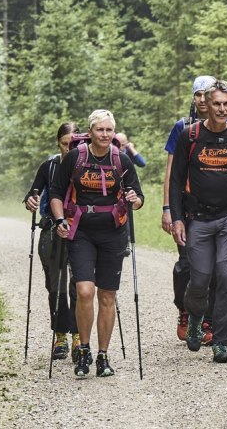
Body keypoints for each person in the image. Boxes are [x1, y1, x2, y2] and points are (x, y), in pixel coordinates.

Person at [169, 79, 227, 364]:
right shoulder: (190, 136)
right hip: (197, 218)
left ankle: (222, 341)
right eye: (217, 104)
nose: (222, 109)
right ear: (205, 105)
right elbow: (175, 180)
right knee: (199, 280)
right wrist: (176, 218)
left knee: (226, 277)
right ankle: (195, 317)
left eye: (226, 104)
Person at [50, 109, 144, 379]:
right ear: (90, 132)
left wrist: (133, 199)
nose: (105, 135)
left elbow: (138, 198)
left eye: (109, 130)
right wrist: (59, 221)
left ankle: (103, 355)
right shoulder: (75, 158)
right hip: (81, 231)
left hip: (113, 233)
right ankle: (84, 349)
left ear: (113, 133)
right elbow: (56, 192)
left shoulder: (121, 159)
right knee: (84, 291)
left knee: (107, 296)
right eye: (100, 130)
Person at [162, 75, 216, 343]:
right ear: (193, 97)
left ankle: (206, 319)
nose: (203, 100)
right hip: (184, 207)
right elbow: (171, 171)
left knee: (212, 267)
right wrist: (167, 209)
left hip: (215, 208)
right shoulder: (181, 127)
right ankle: (184, 310)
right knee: (186, 265)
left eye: (208, 94)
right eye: (199, 94)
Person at [23, 122, 80, 362]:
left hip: (80, 229)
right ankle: (60, 336)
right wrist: (31, 201)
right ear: (58, 143)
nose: (68, 148)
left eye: (73, 144)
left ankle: (79, 337)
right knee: (55, 286)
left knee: (79, 285)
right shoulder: (49, 166)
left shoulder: (87, 164)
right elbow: (33, 192)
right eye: (64, 144)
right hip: (51, 229)